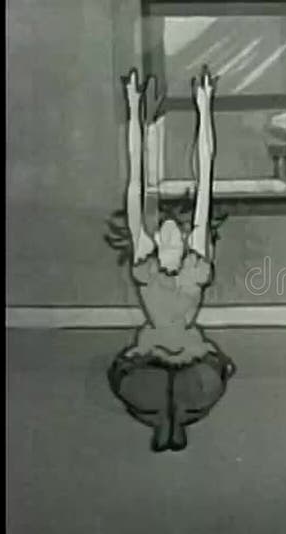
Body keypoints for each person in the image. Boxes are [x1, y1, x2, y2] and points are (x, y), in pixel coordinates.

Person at [116, 66, 234, 373]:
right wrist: (133, 108)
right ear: (155, 238)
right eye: (166, 233)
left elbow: (204, 177)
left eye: (174, 234)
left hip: (189, 351)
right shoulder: (148, 263)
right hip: (153, 350)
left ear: (184, 240)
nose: (170, 234)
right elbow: (134, 181)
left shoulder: (192, 263)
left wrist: (204, 108)